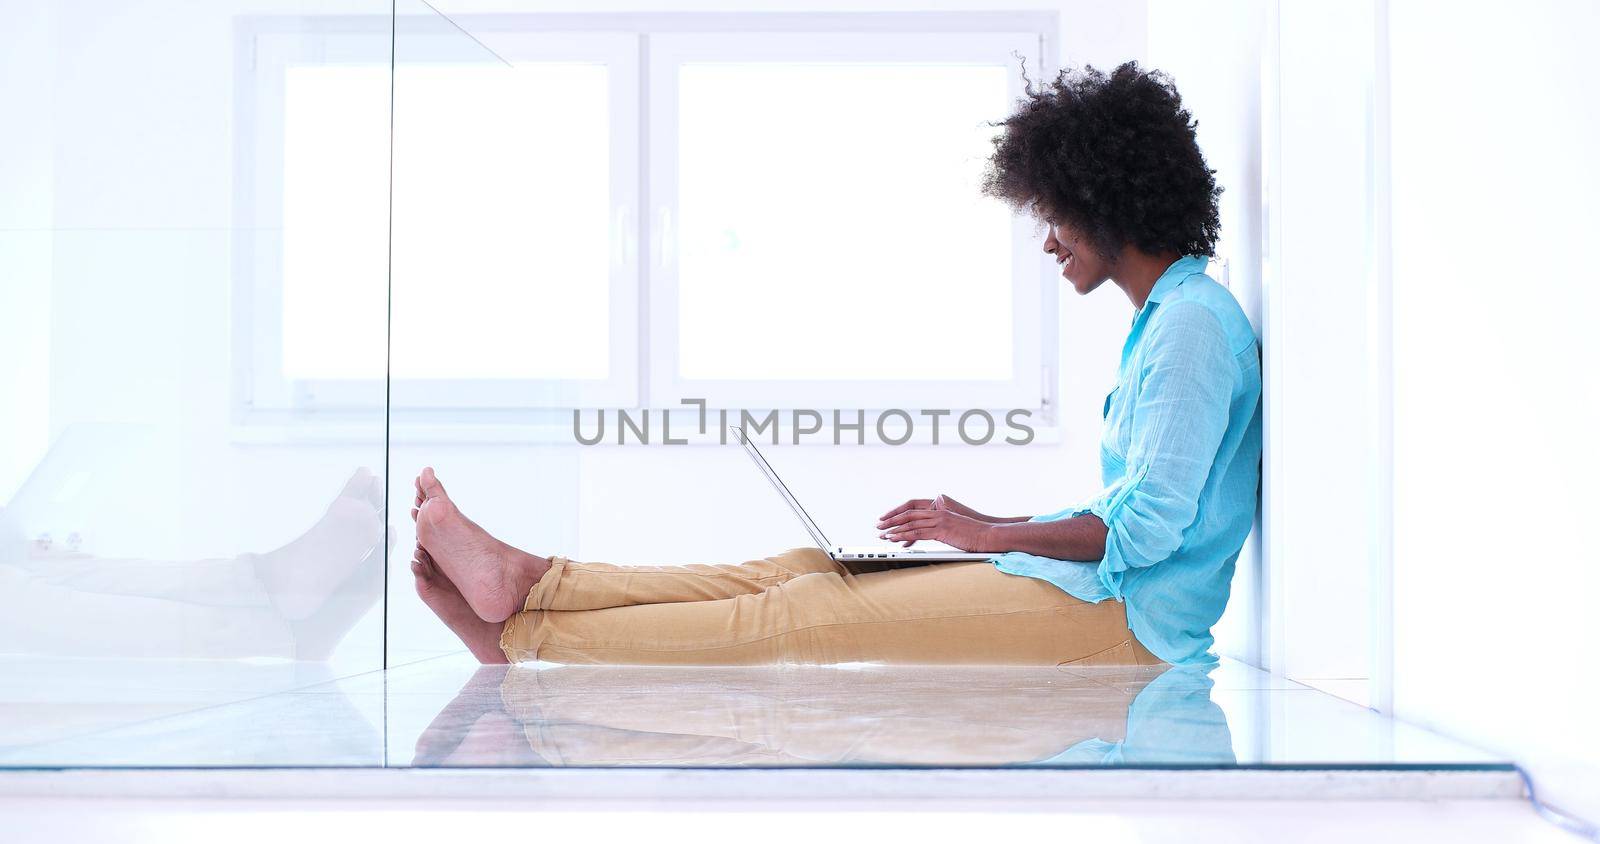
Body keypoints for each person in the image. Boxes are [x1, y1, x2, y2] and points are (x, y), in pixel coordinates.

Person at [410, 61, 1261, 668]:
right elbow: (1132, 509)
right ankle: (535, 582)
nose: (1048, 239)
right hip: (1099, 590)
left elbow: (1146, 535)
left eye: (1060, 215)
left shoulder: (1189, 330)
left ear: (1113, 200)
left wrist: (987, 535)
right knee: (803, 569)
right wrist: (989, 525)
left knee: (811, 615)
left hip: (1128, 624)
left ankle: (521, 638)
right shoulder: (1167, 321)